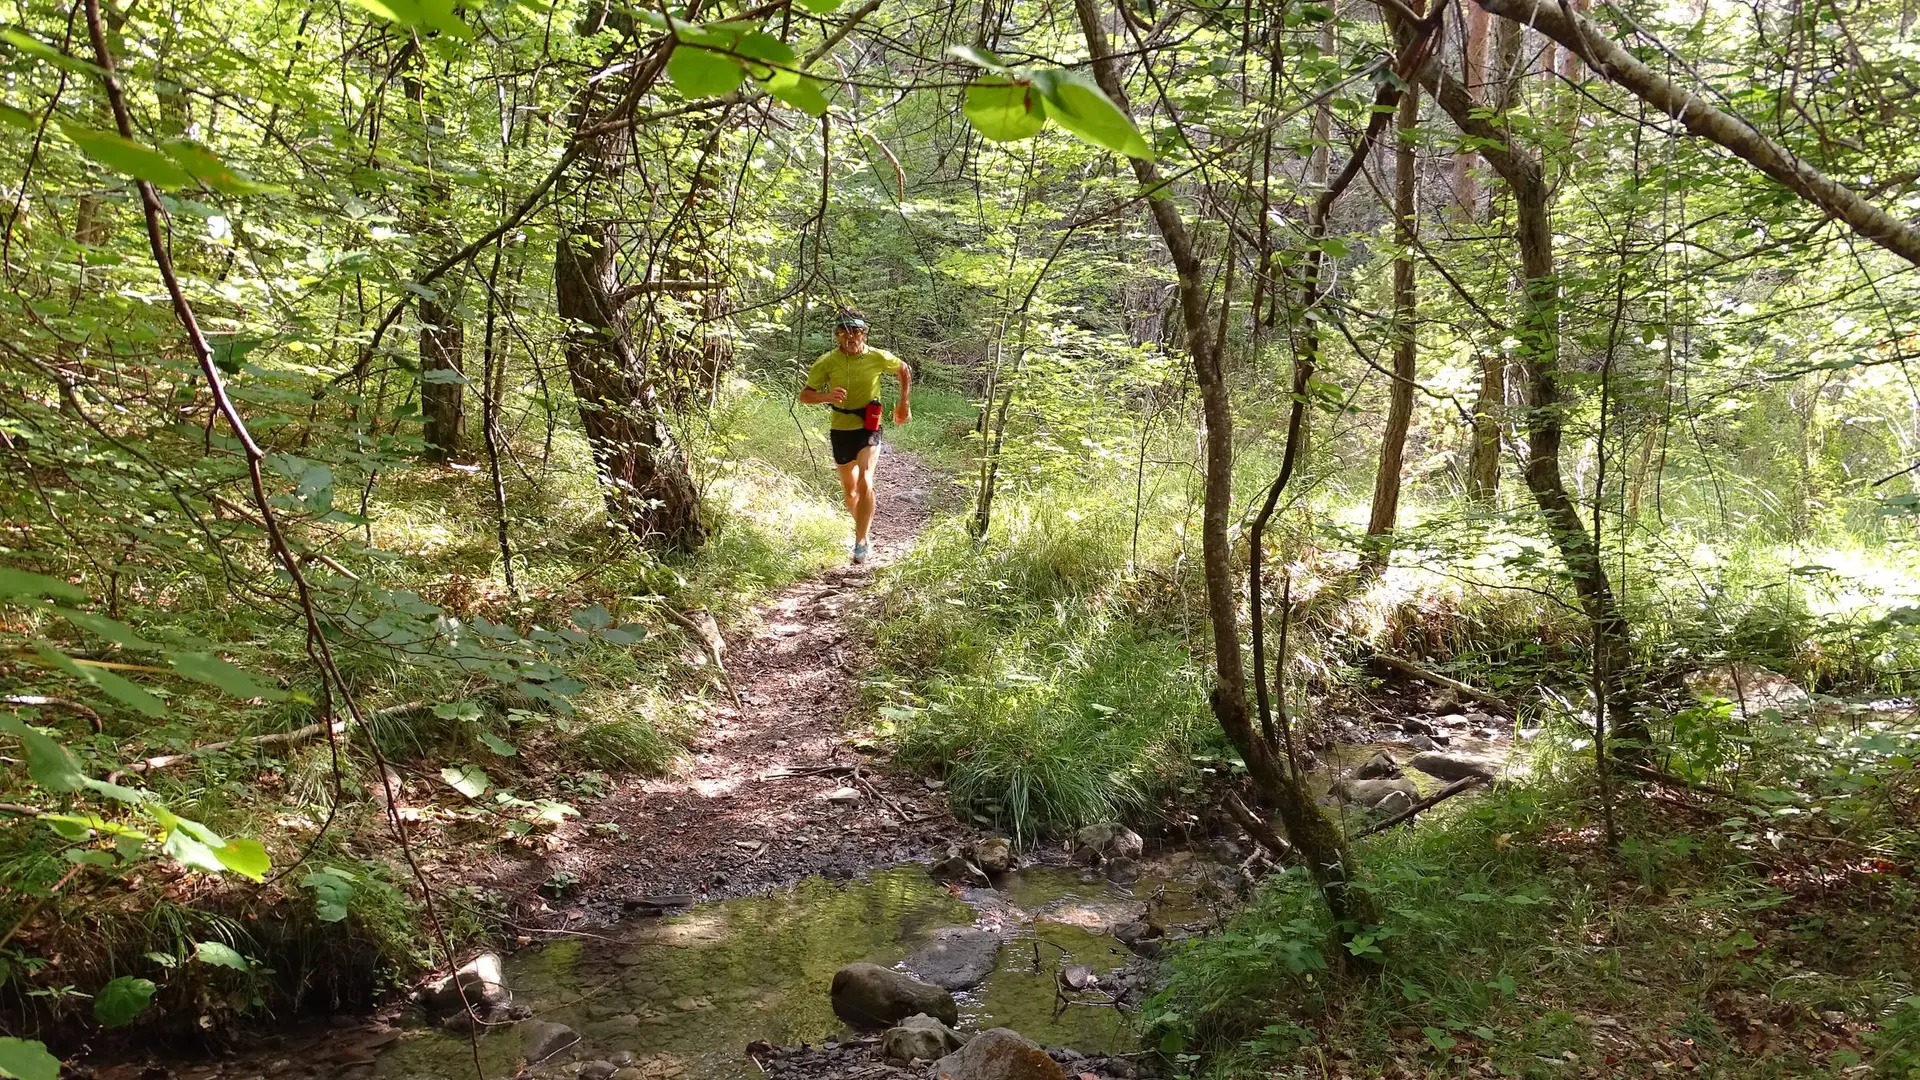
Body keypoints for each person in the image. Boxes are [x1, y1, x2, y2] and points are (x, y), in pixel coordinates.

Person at [797, 308, 911, 564]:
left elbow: (904, 369)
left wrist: (904, 403)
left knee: (865, 481)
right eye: (843, 332)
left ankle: (860, 542)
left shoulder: (877, 357)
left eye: (856, 332)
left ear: (864, 334)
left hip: (869, 426)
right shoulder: (827, 362)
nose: (850, 337)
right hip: (841, 429)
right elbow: (805, 396)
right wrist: (827, 396)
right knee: (850, 492)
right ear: (837, 336)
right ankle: (863, 530)